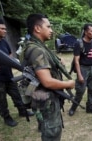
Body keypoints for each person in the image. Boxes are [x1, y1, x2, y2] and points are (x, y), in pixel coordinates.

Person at [22, 13, 75, 141]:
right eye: (48, 26)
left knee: (47, 126)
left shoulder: (32, 45)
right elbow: (47, 82)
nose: (51, 30)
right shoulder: (37, 50)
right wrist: (69, 84)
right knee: (52, 132)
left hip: (39, 95)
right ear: (37, 28)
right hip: (45, 96)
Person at [0, 15, 34, 127]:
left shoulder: (4, 42)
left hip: (8, 76)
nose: (5, 31)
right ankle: (7, 118)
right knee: (1, 100)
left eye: (5, 28)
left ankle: (23, 111)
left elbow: (10, 57)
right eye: (2, 28)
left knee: (16, 95)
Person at [68, 23, 92, 116]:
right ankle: (73, 107)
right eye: (91, 31)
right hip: (83, 68)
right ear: (86, 32)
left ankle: (90, 107)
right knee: (80, 90)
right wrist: (79, 75)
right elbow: (76, 60)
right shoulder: (79, 43)